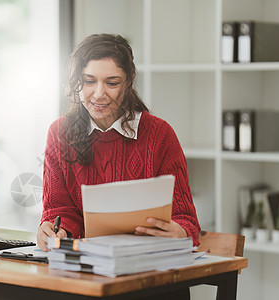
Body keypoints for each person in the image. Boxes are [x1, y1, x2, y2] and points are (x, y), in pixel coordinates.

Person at [37, 33, 200, 253]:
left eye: (112, 83)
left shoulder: (159, 134)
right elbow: (60, 210)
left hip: (148, 267)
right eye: (89, 81)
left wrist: (180, 232)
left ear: (129, 80)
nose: (99, 94)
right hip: (89, 266)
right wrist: (55, 230)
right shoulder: (60, 133)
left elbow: (185, 218)